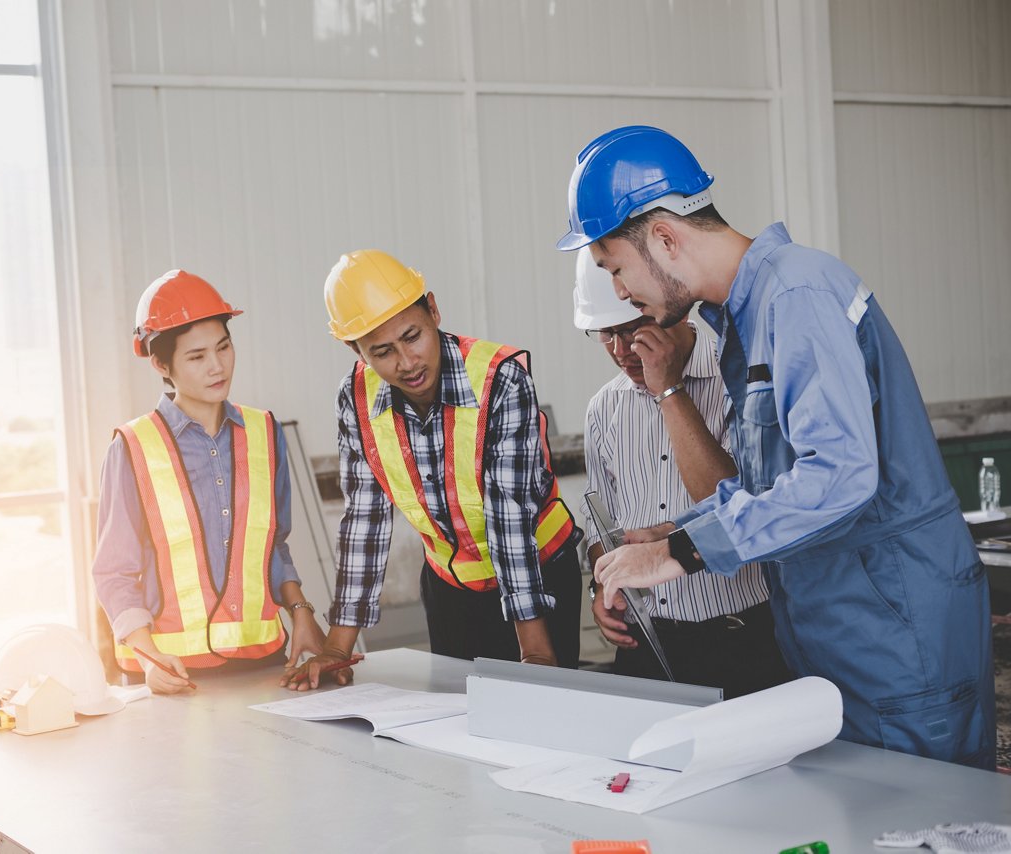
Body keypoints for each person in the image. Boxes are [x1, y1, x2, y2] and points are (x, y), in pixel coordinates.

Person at [558, 125, 994, 768]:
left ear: (664, 238)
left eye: (614, 268)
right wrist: (671, 532)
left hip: (894, 636)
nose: (621, 292)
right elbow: (770, 492)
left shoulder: (796, 293)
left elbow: (841, 476)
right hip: (837, 632)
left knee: (923, 824)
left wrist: (679, 552)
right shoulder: (750, 314)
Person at [285, 249, 583, 690]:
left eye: (412, 336)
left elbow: (509, 517)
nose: (406, 362)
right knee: (456, 720)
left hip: (537, 576)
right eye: (382, 351)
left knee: (540, 716)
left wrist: (535, 650)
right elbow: (364, 521)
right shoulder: (357, 399)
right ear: (356, 351)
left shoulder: (500, 380)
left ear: (434, 310)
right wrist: (336, 649)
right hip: (450, 588)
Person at [93, 270, 326, 695]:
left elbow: (273, 544)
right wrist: (147, 657)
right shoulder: (132, 447)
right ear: (162, 365)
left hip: (263, 661)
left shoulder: (265, 433)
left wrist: (301, 611)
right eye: (197, 357)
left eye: (223, 347)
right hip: (168, 672)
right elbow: (114, 571)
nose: (217, 366)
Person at [575, 252, 789, 699]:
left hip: (738, 639)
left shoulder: (738, 382)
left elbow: (727, 501)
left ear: (672, 311)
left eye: (633, 331)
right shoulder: (604, 408)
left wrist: (669, 389)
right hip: (646, 645)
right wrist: (603, 585)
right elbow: (601, 518)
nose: (621, 351)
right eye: (606, 334)